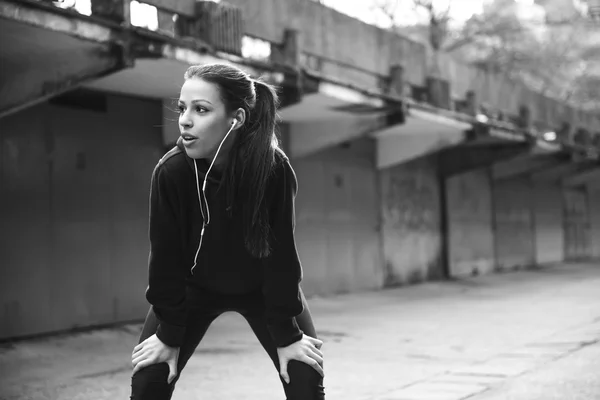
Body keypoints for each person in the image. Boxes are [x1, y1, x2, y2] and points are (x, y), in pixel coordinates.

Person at [130, 63, 325, 400]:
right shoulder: (172, 172)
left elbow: (281, 259)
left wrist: (286, 334)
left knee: (305, 376)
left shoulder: (273, 169)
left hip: (262, 289)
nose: (185, 120)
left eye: (201, 109)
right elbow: (165, 260)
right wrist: (170, 333)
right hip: (192, 290)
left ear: (236, 118)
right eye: (182, 108)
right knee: (149, 379)